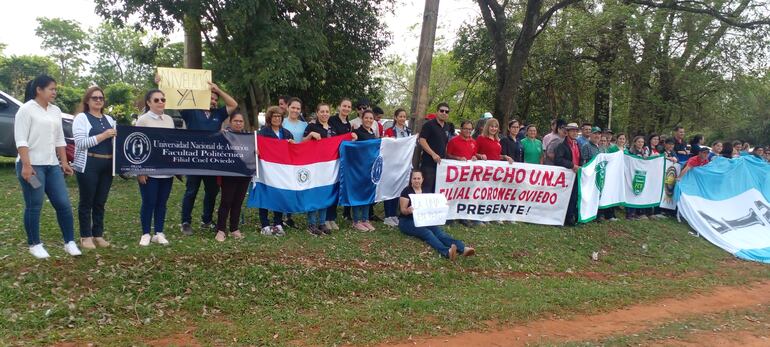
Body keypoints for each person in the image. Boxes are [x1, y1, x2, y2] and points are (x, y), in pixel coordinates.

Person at [14, 75, 80, 258]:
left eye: (55, 89)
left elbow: (60, 139)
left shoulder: (55, 110)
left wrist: (64, 162)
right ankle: (34, 244)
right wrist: (26, 166)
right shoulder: (26, 110)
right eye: (52, 89)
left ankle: (70, 242)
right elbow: (20, 140)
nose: (55, 92)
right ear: (39, 90)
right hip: (32, 168)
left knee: (63, 204)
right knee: (34, 205)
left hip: (52, 167)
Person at [177, 81, 238, 236]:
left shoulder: (218, 114)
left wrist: (218, 90)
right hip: (194, 161)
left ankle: (207, 220)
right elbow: (174, 99)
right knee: (191, 191)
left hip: (211, 162)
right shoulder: (192, 112)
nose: (214, 101)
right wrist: (161, 83)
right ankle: (185, 222)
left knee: (211, 192)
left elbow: (233, 104)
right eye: (211, 98)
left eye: (216, 100)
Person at [73, 86, 117, 250]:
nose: (98, 100)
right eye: (94, 98)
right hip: (89, 164)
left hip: (107, 166)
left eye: (101, 98)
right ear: (87, 100)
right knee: (87, 201)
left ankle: (97, 234)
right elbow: (80, 143)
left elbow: (116, 144)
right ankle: (85, 236)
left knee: (100, 202)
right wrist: (103, 135)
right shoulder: (81, 118)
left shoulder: (110, 120)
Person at [398, 170, 475, 260]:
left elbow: (432, 206)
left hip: (424, 220)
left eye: (418, 178)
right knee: (427, 233)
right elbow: (402, 210)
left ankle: (463, 249)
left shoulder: (426, 190)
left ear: (422, 179)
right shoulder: (406, 191)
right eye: (414, 178)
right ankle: (447, 252)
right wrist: (408, 210)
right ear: (411, 180)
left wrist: (442, 206)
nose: (416, 180)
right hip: (407, 221)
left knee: (439, 233)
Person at [136, 90, 175, 246]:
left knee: (162, 202)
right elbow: (137, 145)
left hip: (166, 169)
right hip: (149, 170)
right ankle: (145, 233)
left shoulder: (170, 120)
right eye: (157, 100)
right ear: (149, 103)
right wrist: (140, 170)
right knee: (149, 201)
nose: (160, 102)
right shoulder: (142, 120)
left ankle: (159, 232)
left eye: (163, 99)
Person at [214, 111, 251, 242]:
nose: (238, 123)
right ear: (230, 122)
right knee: (226, 202)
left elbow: (252, 153)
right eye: (236, 121)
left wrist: (256, 151)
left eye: (241, 121)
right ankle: (221, 230)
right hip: (228, 175)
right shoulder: (224, 135)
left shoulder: (249, 137)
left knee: (238, 202)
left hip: (244, 175)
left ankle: (234, 228)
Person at [257, 106, 294, 236]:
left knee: (279, 195)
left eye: (279, 116)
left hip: (281, 171)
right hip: (266, 170)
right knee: (265, 195)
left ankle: (278, 222)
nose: (277, 118)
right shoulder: (262, 133)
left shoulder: (287, 133)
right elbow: (257, 148)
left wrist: (292, 144)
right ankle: (265, 224)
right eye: (274, 116)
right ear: (269, 118)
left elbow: (293, 152)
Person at [304, 103, 336, 235]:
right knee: (313, 194)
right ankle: (311, 224)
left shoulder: (333, 129)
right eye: (322, 111)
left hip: (328, 168)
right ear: (317, 113)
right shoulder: (311, 126)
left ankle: (322, 223)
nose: (324, 114)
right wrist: (310, 135)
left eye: (327, 111)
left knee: (325, 193)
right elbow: (302, 143)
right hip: (314, 166)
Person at [327, 98, 354, 227]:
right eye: (344, 106)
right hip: (331, 158)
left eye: (349, 107)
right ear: (339, 107)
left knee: (337, 186)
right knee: (330, 186)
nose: (346, 109)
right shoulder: (332, 120)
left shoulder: (348, 124)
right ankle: (326, 218)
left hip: (342, 159)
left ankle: (332, 217)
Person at [383, 108, 412, 228]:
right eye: (400, 116)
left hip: (404, 165)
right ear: (395, 118)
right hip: (391, 164)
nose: (402, 119)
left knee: (399, 189)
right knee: (389, 189)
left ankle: (394, 214)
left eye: (404, 116)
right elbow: (386, 145)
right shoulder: (390, 131)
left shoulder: (408, 131)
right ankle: (387, 216)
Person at [351, 110, 378, 231]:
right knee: (358, 195)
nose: (369, 120)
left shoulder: (372, 133)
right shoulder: (357, 132)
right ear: (362, 118)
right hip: (358, 169)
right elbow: (351, 145)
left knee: (367, 194)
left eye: (371, 118)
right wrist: (353, 138)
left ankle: (365, 219)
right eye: (366, 118)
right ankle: (356, 221)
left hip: (370, 169)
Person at [418, 103, 453, 192]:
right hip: (428, 164)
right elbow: (422, 140)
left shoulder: (447, 127)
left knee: (437, 190)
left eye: (446, 111)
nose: (444, 113)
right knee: (427, 189)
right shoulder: (429, 125)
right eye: (442, 110)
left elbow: (445, 144)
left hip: (441, 164)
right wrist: (433, 154)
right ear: (437, 112)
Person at [554, 123, 582, 226]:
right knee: (566, 197)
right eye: (572, 131)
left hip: (576, 175)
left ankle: (572, 217)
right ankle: (565, 218)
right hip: (566, 176)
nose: (575, 133)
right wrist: (572, 165)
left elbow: (580, 158)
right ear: (567, 132)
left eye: (576, 131)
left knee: (575, 196)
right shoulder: (562, 145)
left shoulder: (577, 144)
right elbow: (558, 159)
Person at [626, 136, 649, 220]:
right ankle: (629, 214)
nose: (640, 143)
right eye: (639, 142)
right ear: (635, 142)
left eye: (642, 142)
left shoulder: (644, 152)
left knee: (638, 193)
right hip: (631, 174)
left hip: (640, 175)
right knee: (631, 192)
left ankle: (636, 213)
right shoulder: (630, 151)